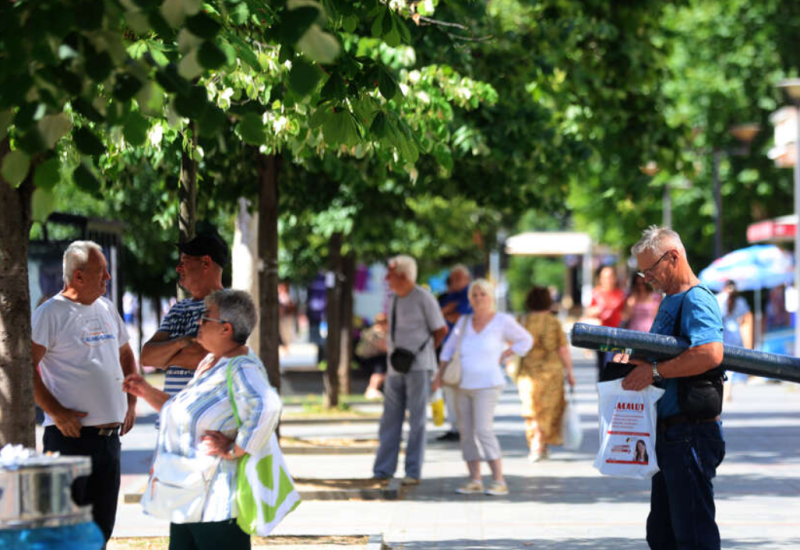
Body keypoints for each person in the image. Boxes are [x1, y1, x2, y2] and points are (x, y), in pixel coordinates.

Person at [123, 290, 279, 549]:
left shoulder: (242, 366)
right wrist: (146, 392)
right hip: (188, 495)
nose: (199, 323)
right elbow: (183, 408)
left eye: (206, 318)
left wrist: (234, 448)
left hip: (219, 500)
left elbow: (268, 408)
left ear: (225, 329)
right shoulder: (210, 361)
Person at [619, 225, 725, 550]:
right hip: (669, 434)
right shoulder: (670, 300)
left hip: (689, 432)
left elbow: (710, 352)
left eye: (650, 270)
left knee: (692, 536)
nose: (647, 279)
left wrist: (654, 371)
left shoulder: (696, 299)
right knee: (663, 535)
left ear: (673, 257)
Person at [31, 241, 138, 544]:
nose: (108, 278)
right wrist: (56, 412)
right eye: (101, 272)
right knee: (69, 533)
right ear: (78, 276)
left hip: (109, 442)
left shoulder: (105, 306)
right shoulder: (50, 313)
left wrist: (130, 403)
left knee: (101, 531)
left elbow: (126, 354)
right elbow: (27, 368)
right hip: (70, 441)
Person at [433, 279, 533, 496]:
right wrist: (438, 374)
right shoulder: (464, 321)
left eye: (483, 294)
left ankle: (499, 480)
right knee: (466, 433)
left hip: (488, 384)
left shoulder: (502, 321)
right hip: (462, 384)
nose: (479, 298)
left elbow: (526, 340)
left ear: (491, 297)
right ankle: (475, 479)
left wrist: (507, 353)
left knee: (482, 430)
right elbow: (448, 349)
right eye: (475, 294)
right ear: (470, 299)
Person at [373, 255, 448, 485]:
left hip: (419, 367)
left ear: (403, 276)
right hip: (396, 367)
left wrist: (423, 354)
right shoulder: (394, 298)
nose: (387, 278)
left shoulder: (424, 297)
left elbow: (440, 330)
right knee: (390, 419)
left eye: (390, 274)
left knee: (417, 421)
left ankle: (413, 471)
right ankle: (383, 470)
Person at [141, 229, 228, 399]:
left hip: (206, 420)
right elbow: (146, 357)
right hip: (173, 420)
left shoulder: (228, 304)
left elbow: (202, 356)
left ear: (205, 262)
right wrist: (181, 343)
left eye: (184, 261)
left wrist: (164, 359)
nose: (178, 268)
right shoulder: (178, 308)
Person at [516, 286, 576, 462]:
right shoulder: (553, 322)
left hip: (527, 371)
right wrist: (570, 373)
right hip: (552, 371)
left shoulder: (522, 320)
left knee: (532, 408)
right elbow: (563, 349)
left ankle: (537, 443)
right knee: (547, 410)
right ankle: (539, 443)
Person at [436, 264, 473, 442]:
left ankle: (465, 425)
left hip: (467, 349)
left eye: (459, 277)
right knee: (449, 386)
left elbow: (461, 317)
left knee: (465, 387)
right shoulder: (447, 296)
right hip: (448, 348)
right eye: (453, 277)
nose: (455, 281)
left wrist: (450, 312)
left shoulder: (471, 295)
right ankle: (455, 426)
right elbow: (439, 315)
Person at [716, 280, 753, 401]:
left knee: (721, 363)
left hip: (723, 333)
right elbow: (745, 317)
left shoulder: (719, 298)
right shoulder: (740, 301)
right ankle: (728, 392)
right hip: (735, 334)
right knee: (731, 365)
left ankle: (722, 390)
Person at [586, 266, 626, 373]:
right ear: (600, 279)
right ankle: (602, 385)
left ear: (615, 278)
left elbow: (626, 313)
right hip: (601, 334)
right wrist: (599, 309)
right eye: (605, 277)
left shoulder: (621, 294)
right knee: (602, 364)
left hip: (617, 335)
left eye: (610, 277)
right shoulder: (596, 293)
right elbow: (589, 312)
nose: (608, 280)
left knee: (614, 362)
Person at [356, 312, 389, 400]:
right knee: (381, 367)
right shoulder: (376, 332)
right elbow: (384, 348)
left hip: (375, 357)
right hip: (368, 358)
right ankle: (372, 388)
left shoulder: (381, 331)